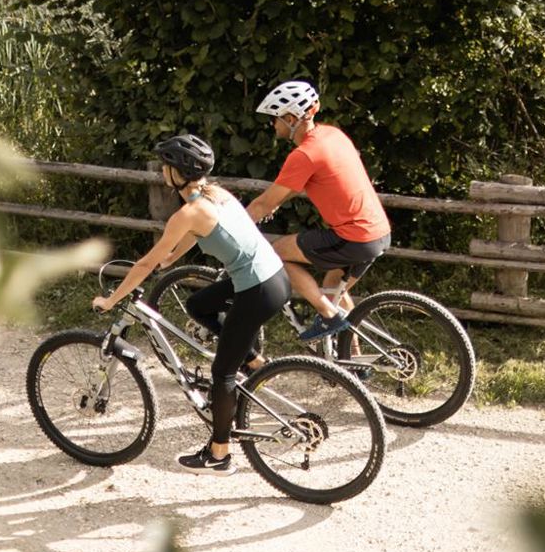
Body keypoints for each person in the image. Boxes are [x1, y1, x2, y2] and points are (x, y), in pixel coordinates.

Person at [92, 133, 290, 475]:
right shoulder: (217, 194)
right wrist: (169, 259)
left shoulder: (188, 212)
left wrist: (111, 300)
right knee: (199, 305)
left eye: (166, 167)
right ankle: (254, 362)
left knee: (222, 374)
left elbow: (143, 265)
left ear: (176, 173)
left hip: (256, 289)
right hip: (275, 277)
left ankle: (219, 455)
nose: (162, 173)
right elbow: (194, 235)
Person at [244, 80, 392, 341]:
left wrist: (235, 226)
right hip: (378, 233)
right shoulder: (332, 135)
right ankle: (353, 359)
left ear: (291, 118)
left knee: (276, 252)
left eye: (275, 118)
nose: (273, 124)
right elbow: (292, 188)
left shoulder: (305, 154)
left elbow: (263, 204)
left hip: (353, 238)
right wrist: (275, 203)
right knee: (334, 287)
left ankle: (327, 316)